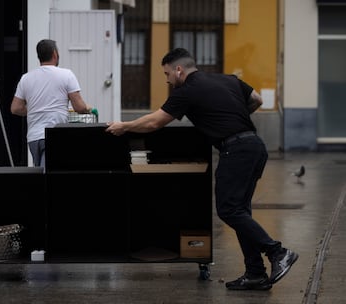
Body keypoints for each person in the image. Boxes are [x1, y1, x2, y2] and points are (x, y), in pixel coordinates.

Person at [106, 48, 298, 290]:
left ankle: (278, 252)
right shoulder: (228, 79)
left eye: (167, 74)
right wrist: (231, 117)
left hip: (235, 151)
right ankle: (255, 273)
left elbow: (155, 121)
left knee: (229, 210)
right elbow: (257, 99)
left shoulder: (186, 91)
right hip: (254, 146)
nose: (166, 80)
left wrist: (125, 125)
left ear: (179, 70)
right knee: (240, 212)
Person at [11, 39, 95, 167]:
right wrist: (87, 107)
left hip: (34, 138)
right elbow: (79, 107)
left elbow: (15, 108)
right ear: (55, 54)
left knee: (40, 171)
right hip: (55, 134)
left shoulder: (26, 78)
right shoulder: (66, 75)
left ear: (39, 56)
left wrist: (35, 109)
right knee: (50, 175)